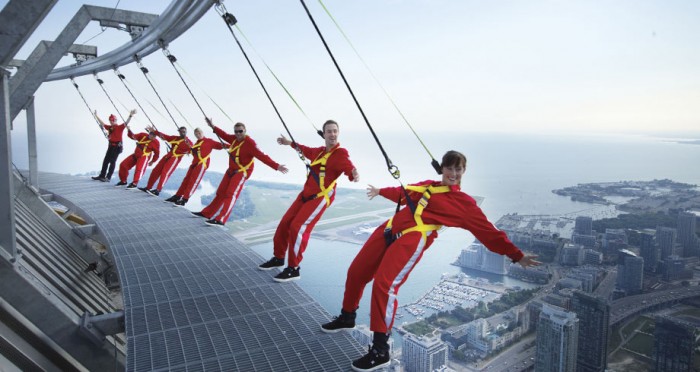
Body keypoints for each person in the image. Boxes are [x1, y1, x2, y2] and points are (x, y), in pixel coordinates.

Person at [320, 150, 541, 371]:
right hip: (389, 228)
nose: (453, 173)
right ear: (442, 168)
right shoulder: (429, 186)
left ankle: (380, 350)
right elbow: (404, 192)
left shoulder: (463, 204)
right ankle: (347, 317)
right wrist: (380, 191)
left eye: (458, 169)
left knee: (384, 285)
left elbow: (488, 232)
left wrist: (516, 255)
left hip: (414, 237)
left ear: (463, 172)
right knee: (356, 272)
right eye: (449, 168)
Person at [258, 120, 359, 282]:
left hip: (320, 197)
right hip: (306, 194)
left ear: (338, 133)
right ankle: (278, 258)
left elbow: (349, 167)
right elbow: (303, 149)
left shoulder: (341, 153)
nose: (332, 134)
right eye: (329, 131)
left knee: (297, 227)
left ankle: (294, 268)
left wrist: (354, 175)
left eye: (335, 131)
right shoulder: (319, 152)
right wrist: (288, 143)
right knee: (285, 224)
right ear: (323, 134)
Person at [191, 119, 289, 226]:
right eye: (236, 131)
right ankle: (207, 213)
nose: (238, 134)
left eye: (240, 131)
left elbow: (262, 156)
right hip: (231, 170)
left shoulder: (250, 143)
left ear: (245, 131)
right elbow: (223, 135)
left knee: (230, 194)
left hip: (242, 171)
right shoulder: (233, 139)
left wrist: (276, 166)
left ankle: (221, 219)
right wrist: (212, 126)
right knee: (220, 192)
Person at [163, 123, 226, 207]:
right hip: (194, 164)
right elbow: (194, 154)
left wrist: (230, 146)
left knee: (194, 181)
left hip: (202, 164)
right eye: (196, 134)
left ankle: (184, 199)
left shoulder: (209, 141)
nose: (198, 135)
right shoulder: (196, 144)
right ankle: (178, 196)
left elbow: (220, 145)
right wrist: (190, 148)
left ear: (202, 133)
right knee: (186, 180)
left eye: (199, 133)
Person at [139, 126, 193, 196]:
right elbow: (165, 136)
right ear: (179, 132)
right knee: (155, 171)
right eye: (181, 131)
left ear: (186, 132)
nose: (183, 133)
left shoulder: (188, 142)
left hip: (175, 158)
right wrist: (155, 131)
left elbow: (194, 150)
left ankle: (158, 190)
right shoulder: (175, 138)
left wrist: (189, 147)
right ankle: (148, 187)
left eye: (184, 132)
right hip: (168, 156)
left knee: (165, 173)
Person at [91, 109, 136, 182]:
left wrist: (131, 115)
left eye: (112, 120)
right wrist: (96, 115)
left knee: (112, 161)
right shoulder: (110, 128)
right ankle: (102, 175)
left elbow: (126, 122)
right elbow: (102, 123)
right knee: (106, 161)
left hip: (117, 147)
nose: (111, 122)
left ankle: (108, 177)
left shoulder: (120, 127)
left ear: (115, 120)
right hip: (111, 146)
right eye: (110, 121)